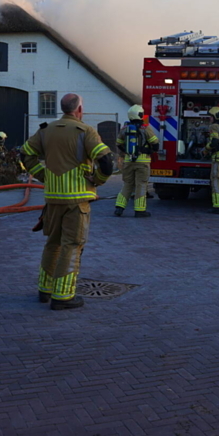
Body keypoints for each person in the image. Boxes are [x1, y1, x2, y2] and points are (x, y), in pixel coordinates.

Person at [20, 93, 114, 311]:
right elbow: (106, 161)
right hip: (77, 201)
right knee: (72, 245)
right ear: (79, 109)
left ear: (62, 109)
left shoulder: (45, 130)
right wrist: (98, 180)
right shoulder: (86, 131)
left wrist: (44, 176)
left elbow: (25, 155)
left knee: (52, 243)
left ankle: (45, 289)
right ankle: (63, 297)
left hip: (52, 200)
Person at [114, 104, 160, 218]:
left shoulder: (124, 129)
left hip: (128, 162)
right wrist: (147, 150)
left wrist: (127, 153)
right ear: (141, 115)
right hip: (142, 163)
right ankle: (140, 210)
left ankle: (119, 208)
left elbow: (118, 144)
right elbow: (155, 144)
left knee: (127, 184)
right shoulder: (145, 128)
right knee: (141, 185)